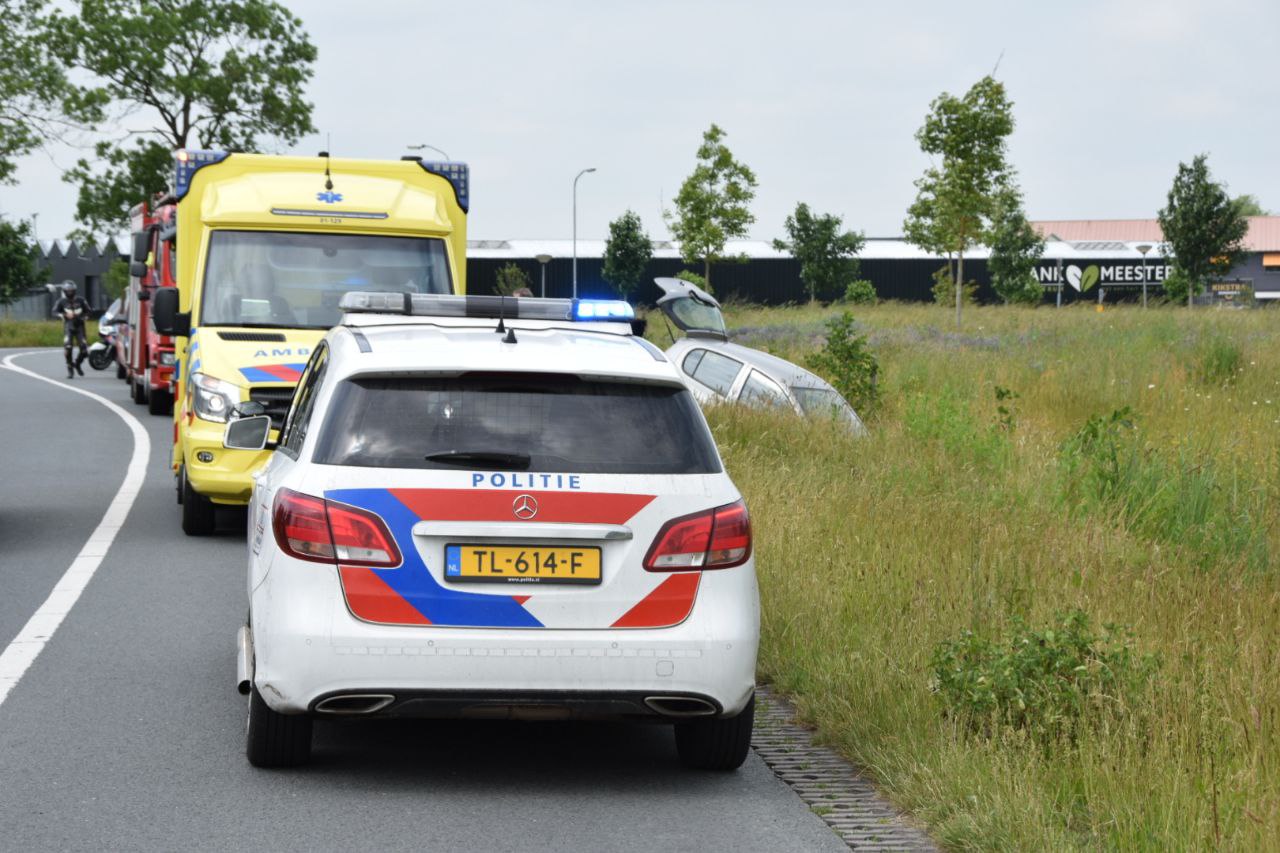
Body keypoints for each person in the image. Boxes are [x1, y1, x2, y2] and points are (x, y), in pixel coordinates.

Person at [52, 280, 90, 378]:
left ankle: (77, 364)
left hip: (80, 327)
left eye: (71, 290)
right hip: (68, 326)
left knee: (84, 350)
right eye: (67, 291)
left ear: (75, 290)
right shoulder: (61, 301)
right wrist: (64, 315)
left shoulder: (81, 300)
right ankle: (70, 368)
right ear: (64, 291)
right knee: (68, 347)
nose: (70, 292)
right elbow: (54, 312)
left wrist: (83, 317)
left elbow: (89, 311)